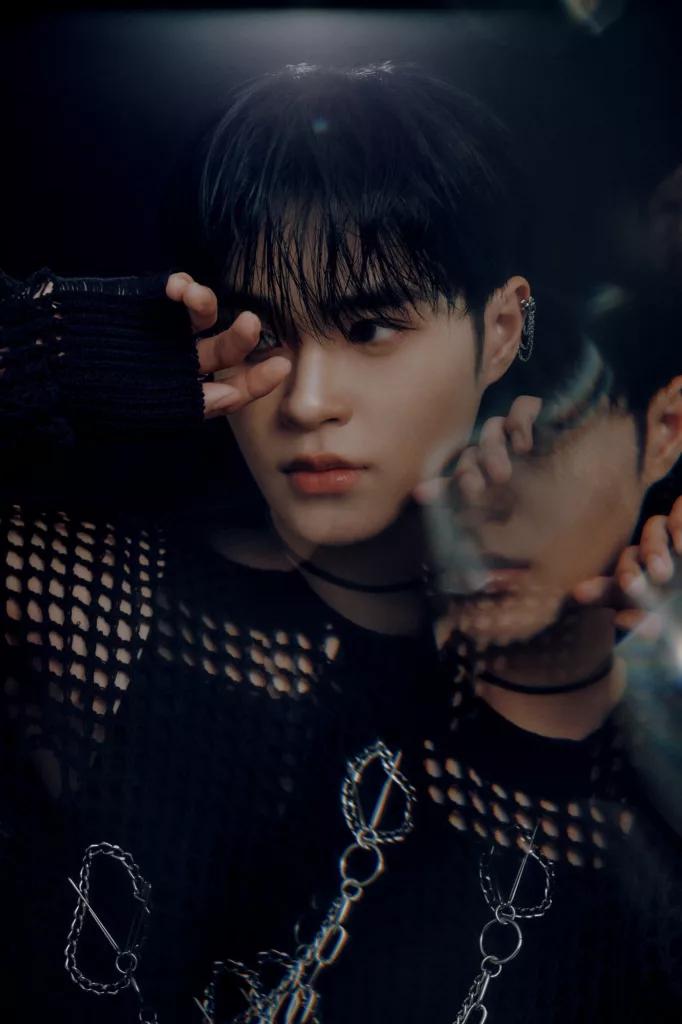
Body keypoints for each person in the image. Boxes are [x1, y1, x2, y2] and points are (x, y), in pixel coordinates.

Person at [0, 62, 680, 1024]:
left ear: (499, 331)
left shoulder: (591, 705)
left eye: (369, 327)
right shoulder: (90, 607)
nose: (309, 401)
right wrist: (39, 349)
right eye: (265, 333)